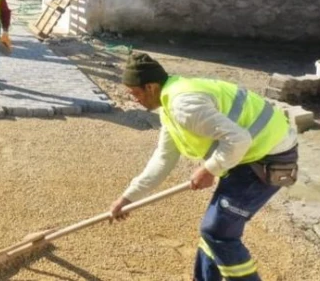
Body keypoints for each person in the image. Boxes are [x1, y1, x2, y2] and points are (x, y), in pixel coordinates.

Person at [110, 53, 299, 281]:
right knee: (212, 232)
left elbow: (238, 140)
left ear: (150, 87)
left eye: (135, 93)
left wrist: (210, 169)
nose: (134, 100)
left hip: (270, 157)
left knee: (218, 232)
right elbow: (163, 158)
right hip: (248, 156)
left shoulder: (184, 105)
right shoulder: (170, 105)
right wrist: (129, 198)